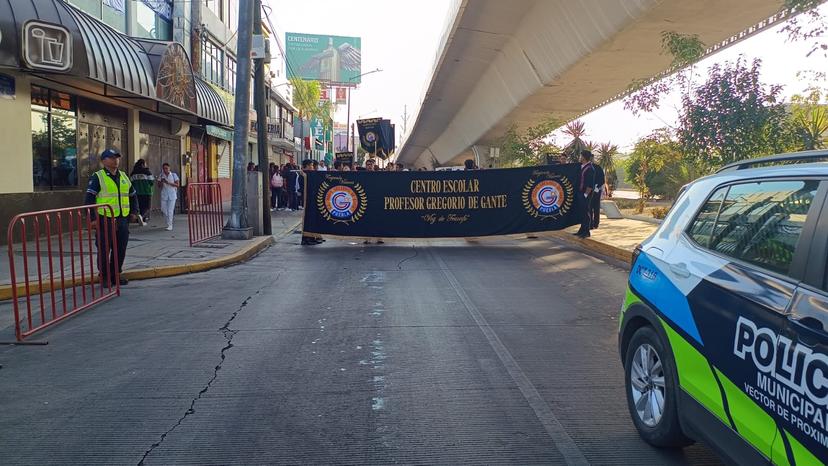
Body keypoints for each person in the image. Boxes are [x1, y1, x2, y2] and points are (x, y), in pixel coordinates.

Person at [84, 149, 138, 287]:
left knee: (120, 248)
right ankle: (104, 276)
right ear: (104, 161)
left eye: (117, 158)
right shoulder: (98, 177)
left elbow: (133, 196)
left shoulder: (124, 176)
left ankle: (115, 274)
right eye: (112, 158)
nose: (116, 160)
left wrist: (134, 212)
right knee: (104, 248)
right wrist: (92, 219)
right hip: (104, 218)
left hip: (122, 218)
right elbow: (89, 199)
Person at [575, 150, 596, 238]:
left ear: (584, 157)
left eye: (581, 156)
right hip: (581, 192)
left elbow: (590, 184)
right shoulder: (582, 166)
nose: (580, 157)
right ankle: (581, 230)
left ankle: (586, 231)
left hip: (586, 193)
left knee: (586, 212)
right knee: (581, 212)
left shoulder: (590, 168)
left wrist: (586, 194)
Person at [129, 159, 154, 224]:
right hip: (146, 192)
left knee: (140, 206)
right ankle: (141, 217)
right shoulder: (147, 172)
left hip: (137, 193)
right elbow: (151, 182)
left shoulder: (133, 173)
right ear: (143, 164)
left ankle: (143, 220)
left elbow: (130, 183)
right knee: (147, 207)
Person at [157, 163, 180, 231]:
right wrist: (161, 181)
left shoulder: (173, 175)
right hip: (164, 195)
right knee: (163, 209)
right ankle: (169, 220)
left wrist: (168, 183)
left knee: (170, 210)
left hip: (172, 195)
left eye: (166, 168)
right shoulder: (161, 175)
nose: (165, 170)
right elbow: (159, 186)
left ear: (169, 168)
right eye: (164, 168)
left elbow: (177, 184)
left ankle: (170, 225)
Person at [590, 160, 606, 230]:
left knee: (592, 207)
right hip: (594, 190)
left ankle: (593, 223)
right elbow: (602, 180)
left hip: (594, 190)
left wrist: (596, 187)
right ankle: (594, 223)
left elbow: (602, 180)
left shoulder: (594, 167)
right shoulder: (597, 167)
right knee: (594, 207)